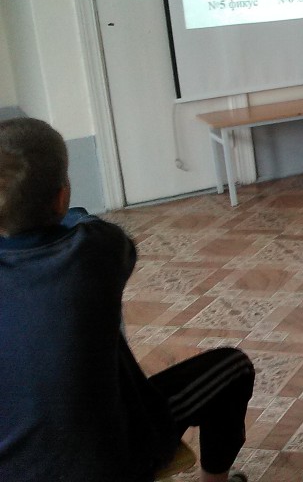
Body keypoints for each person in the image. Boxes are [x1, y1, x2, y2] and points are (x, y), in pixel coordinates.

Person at [0, 117, 254, 482]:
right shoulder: (94, 250)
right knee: (233, 369)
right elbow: (84, 222)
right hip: (111, 462)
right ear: (61, 197)